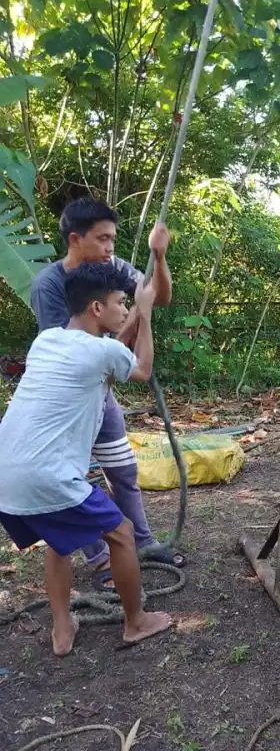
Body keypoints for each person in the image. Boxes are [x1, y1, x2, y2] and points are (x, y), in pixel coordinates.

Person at [0, 262, 173, 656]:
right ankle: (136, 622)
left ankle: (63, 629)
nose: (125, 310)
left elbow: (110, 352)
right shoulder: (102, 350)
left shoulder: (47, 341)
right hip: (46, 474)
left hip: (5, 471)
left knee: (58, 541)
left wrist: (134, 315)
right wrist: (145, 314)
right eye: (120, 302)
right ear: (97, 309)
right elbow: (142, 368)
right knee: (122, 533)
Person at [30, 197, 184, 592]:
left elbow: (157, 295)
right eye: (102, 239)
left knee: (123, 473)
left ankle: (142, 545)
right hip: (67, 406)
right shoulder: (50, 285)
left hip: (101, 396)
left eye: (113, 239)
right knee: (73, 481)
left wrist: (159, 256)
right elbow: (80, 352)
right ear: (75, 239)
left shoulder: (110, 268)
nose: (110, 248)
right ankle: (99, 559)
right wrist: (138, 315)